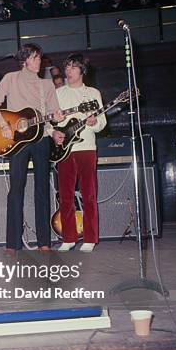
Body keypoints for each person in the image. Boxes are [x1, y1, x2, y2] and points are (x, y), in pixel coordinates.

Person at [0, 43, 64, 253]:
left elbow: (53, 114)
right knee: (15, 191)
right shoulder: (10, 79)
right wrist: (3, 125)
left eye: (40, 57)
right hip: (16, 140)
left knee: (42, 190)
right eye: (36, 57)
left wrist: (57, 119)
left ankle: (44, 242)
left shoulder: (46, 86)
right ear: (25, 60)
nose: (40, 61)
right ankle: (12, 244)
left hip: (41, 139)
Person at [55, 54, 106, 253]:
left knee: (89, 195)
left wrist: (94, 123)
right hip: (65, 150)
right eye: (67, 67)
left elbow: (102, 124)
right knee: (65, 196)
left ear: (82, 71)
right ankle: (68, 238)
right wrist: (55, 132)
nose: (69, 71)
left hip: (86, 147)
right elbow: (52, 124)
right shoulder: (58, 93)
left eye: (74, 68)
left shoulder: (93, 93)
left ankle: (91, 238)